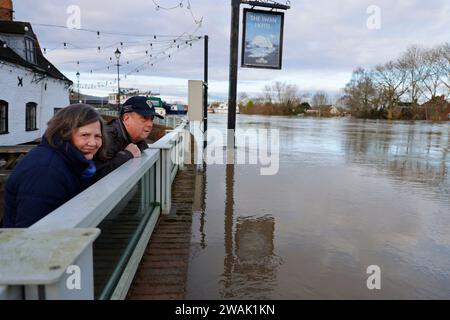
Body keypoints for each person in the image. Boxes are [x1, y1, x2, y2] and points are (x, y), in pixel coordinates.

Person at [2, 104, 106, 228]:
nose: (93, 143)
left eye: (97, 136)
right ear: (64, 133)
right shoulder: (45, 172)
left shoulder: (71, 161)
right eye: (85, 135)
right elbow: (32, 234)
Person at [94, 96, 163, 180]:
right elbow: (95, 177)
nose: (150, 124)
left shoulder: (137, 139)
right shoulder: (107, 138)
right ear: (126, 119)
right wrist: (126, 155)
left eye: (151, 119)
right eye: (144, 118)